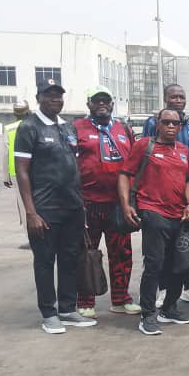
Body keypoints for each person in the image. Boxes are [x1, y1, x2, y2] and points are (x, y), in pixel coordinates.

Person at [14, 78, 96, 333]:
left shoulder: (68, 127)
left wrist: (80, 206)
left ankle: (68, 309)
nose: (55, 100)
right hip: (45, 209)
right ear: (38, 98)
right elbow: (22, 171)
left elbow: (74, 168)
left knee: (70, 259)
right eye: (49, 96)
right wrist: (31, 212)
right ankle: (49, 313)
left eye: (59, 95)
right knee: (45, 261)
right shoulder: (29, 127)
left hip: (72, 207)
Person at [119, 108, 189, 335]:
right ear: (158, 124)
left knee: (179, 265)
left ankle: (169, 308)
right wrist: (126, 205)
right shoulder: (144, 146)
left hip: (179, 215)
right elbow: (125, 174)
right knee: (154, 265)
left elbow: (187, 181)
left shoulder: (183, 150)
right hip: (153, 212)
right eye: (167, 122)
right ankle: (148, 314)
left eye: (176, 123)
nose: (171, 127)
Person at [73, 86, 140, 317]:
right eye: (96, 100)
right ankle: (85, 301)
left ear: (112, 104)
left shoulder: (124, 129)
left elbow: (134, 164)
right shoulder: (76, 128)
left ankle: (121, 299)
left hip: (118, 204)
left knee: (122, 253)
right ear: (89, 104)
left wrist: (132, 200)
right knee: (86, 253)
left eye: (106, 100)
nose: (102, 104)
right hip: (88, 203)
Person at [142, 83, 189, 307]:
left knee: (187, 245)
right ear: (166, 99)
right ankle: (162, 289)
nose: (178, 100)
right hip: (159, 201)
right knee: (159, 253)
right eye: (173, 96)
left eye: (181, 96)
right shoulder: (152, 123)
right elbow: (145, 157)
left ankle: (188, 287)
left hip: (188, 195)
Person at [2, 99, 31, 246]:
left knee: (24, 205)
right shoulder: (34, 125)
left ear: (14, 113)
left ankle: (31, 238)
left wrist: (5, 176)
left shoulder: (9, 129)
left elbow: (6, 153)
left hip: (17, 173)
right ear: (28, 111)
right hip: (36, 171)